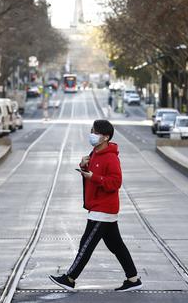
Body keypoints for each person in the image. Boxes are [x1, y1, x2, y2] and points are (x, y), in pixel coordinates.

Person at [49, 120, 142, 292]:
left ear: (106, 137)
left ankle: (70, 278)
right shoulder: (94, 154)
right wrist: (83, 165)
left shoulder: (111, 157)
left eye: (96, 132)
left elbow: (115, 182)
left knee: (86, 245)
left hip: (103, 209)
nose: (92, 134)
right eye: (92, 131)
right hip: (97, 208)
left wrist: (94, 177)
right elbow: (92, 175)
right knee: (116, 246)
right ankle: (133, 278)